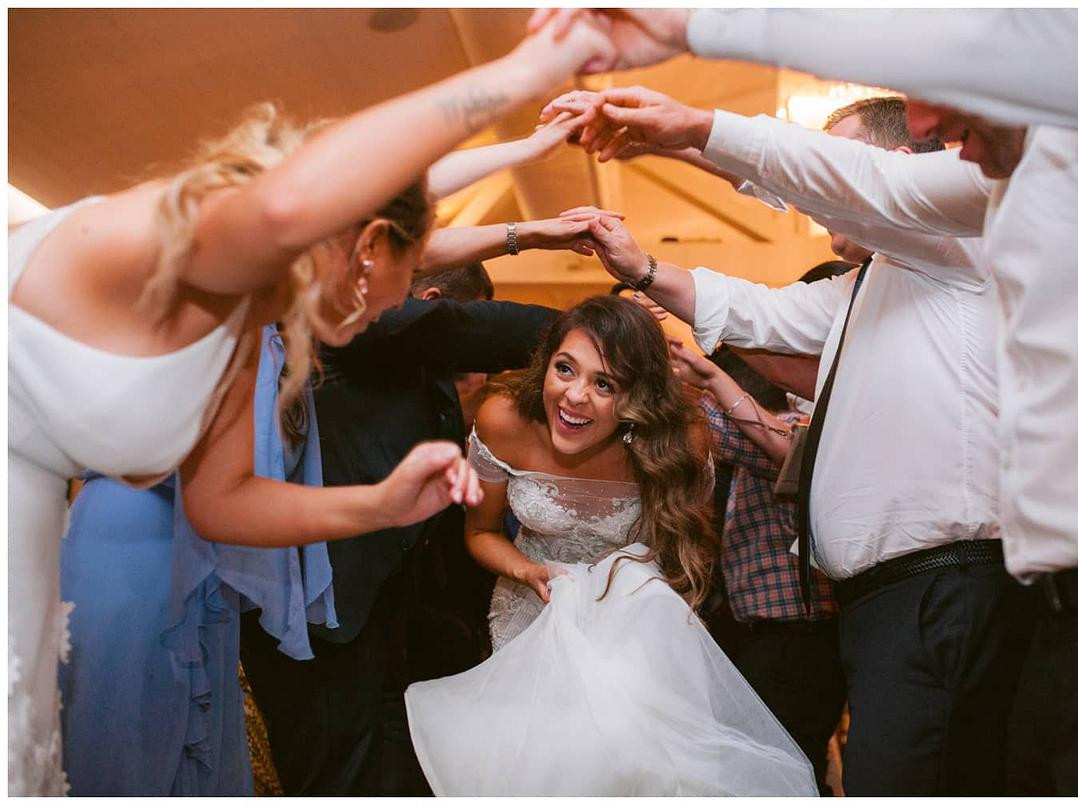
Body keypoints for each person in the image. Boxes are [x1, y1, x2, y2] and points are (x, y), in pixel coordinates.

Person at [540, 8, 1078, 795]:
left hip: (1027, 592)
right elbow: (758, 306)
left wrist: (691, 41)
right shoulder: (889, 270)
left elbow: (876, 181)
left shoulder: (971, 228)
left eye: (934, 88)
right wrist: (644, 264)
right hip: (1003, 607)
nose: (928, 122)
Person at [9, 14, 613, 793]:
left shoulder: (238, 324)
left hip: (116, 557)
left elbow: (222, 503)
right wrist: (536, 68)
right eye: (401, 280)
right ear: (366, 249)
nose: (391, 309)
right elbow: (300, 203)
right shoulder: (198, 248)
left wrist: (379, 505)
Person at [562, 92, 1036, 795]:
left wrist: (689, 132)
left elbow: (847, 185)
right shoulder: (869, 285)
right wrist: (641, 268)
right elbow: (756, 311)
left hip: (943, 588)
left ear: (896, 166)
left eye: (837, 157)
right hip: (893, 601)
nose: (821, 185)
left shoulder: (958, 244)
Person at [405, 296, 817, 796]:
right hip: (529, 615)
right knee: (532, 769)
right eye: (565, 368)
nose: (574, 396)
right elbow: (480, 533)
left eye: (605, 384)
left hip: (637, 632)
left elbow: (687, 548)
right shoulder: (504, 420)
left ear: (640, 396)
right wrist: (526, 571)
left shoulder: (680, 439)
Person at [239, 261, 559, 795]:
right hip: (312, 607)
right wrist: (593, 328)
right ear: (429, 302)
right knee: (331, 775)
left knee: (377, 763)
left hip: (377, 607)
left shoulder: (407, 356)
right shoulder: (351, 325)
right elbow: (479, 329)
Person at [672, 342, 846, 796]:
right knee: (782, 767)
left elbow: (718, 430)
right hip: (772, 636)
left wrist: (690, 379)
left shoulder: (791, 429)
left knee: (784, 770)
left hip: (795, 639)